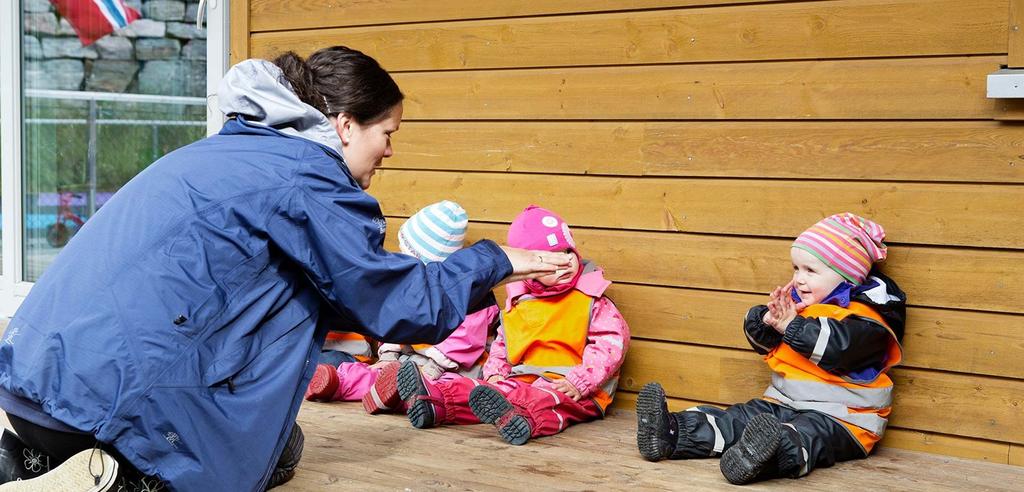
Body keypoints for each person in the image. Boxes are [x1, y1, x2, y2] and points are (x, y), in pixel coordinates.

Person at [0, 46, 570, 491]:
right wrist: (496, 260)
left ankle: (34, 463)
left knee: (280, 444)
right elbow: (397, 306)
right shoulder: (307, 178)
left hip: (35, 387)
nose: (390, 151)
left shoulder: (236, 152)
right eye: (387, 133)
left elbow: (352, 288)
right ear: (345, 125)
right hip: (104, 407)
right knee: (241, 463)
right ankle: (121, 483)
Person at [635, 213, 906, 485]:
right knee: (740, 418)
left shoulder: (868, 321)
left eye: (810, 271)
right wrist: (766, 324)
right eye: (796, 269)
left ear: (847, 276)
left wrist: (792, 326)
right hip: (783, 402)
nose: (799, 279)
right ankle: (671, 432)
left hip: (844, 420)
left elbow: (840, 348)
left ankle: (756, 460)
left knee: (802, 437)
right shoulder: (800, 306)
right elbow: (769, 349)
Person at [392, 205, 630, 445]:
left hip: (574, 387)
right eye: (551, 258)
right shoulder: (519, 301)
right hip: (522, 379)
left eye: (568, 251)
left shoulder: (591, 298)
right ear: (529, 267)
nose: (566, 261)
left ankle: (521, 420)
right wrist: (495, 374)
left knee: (543, 400)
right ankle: (437, 401)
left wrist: (580, 381)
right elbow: (503, 342)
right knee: (481, 391)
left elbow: (610, 345)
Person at [304, 200, 500, 416]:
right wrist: (388, 357)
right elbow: (397, 321)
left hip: (451, 368)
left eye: (406, 254)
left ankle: (408, 398)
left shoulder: (473, 295)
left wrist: (432, 370)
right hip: (409, 361)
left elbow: (464, 342)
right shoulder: (411, 286)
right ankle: (338, 382)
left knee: (444, 387)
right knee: (373, 373)